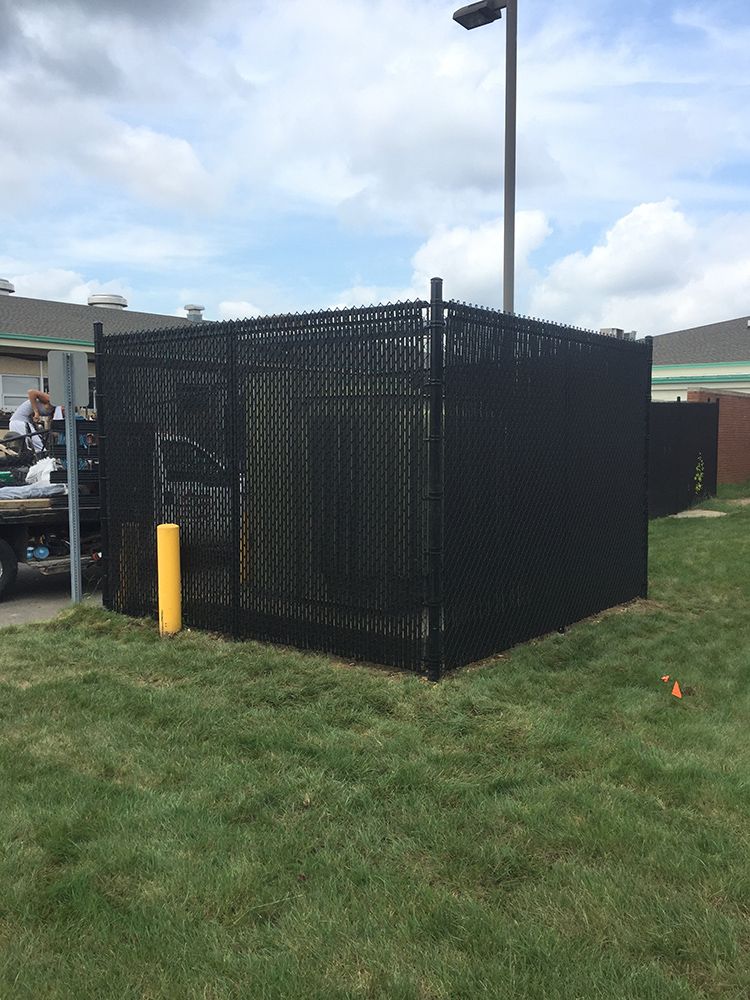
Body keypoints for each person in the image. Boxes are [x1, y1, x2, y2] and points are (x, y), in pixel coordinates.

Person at [8, 388, 55, 454]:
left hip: (22, 422)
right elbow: (31, 392)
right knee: (39, 447)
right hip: (20, 421)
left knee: (28, 447)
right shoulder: (51, 399)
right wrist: (36, 412)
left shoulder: (57, 408)